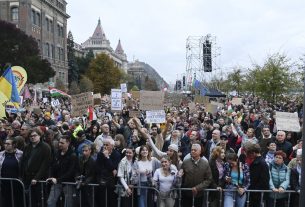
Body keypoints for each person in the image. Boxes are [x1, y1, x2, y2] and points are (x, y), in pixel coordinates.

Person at [21, 128, 51, 207]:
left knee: (41, 201)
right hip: (27, 178)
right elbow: (23, 161)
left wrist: (37, 178)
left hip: (40, 180)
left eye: (35, 135)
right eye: (31, 136)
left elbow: (45, 165)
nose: (32, 137)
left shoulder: (45, 147)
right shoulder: (27, 147)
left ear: (40, 136)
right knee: (30, 201)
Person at [46, 135, 79, 207]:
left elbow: (71, 172)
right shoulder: (57, 153)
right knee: (50, 202)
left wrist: (58, 179)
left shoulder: (73, 155)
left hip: (68, 183)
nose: (59, 144)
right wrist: (51, 177)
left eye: (62, 143)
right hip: (56, 182)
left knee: (68, 204)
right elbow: (52, 166)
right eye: (59, 142)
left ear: (68, 143)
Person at [95, 138, 121, 207]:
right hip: (102, 180)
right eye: (104, 145)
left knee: (111, 201)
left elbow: (114, 167)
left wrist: (107, 157)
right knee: (102, 201)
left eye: (107, 145)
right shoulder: (100, 154)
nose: (105, 146)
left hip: (112, 183)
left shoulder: (116, 155)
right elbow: (97, 168)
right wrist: (109, 170)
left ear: (112, 146)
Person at [0, 137, 23, 207]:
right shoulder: (1, 154)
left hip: (17, 183)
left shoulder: (20, 154)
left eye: (8, 144)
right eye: (5, 143)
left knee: (18, 201)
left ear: (13, 145)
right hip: (3, 183)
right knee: (6, 202)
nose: (6, 145)